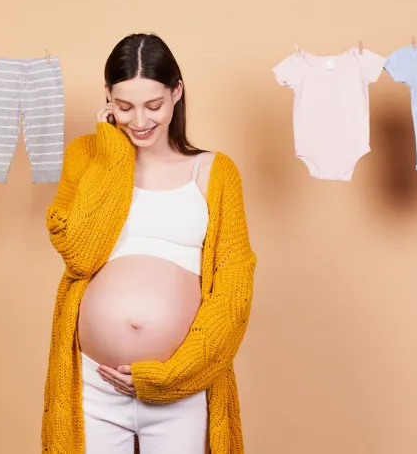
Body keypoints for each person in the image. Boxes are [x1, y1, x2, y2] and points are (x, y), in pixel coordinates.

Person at [42, 33, 256, 454]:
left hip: (181, 387)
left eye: (153, 105)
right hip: (94, 386)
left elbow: (234, 286)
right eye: (124, 107)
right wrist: (113, 151)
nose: (139, 120)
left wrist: (175, 374)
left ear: (176, 92)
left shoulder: (215, 172)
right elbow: (80, 255)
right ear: (107, 98)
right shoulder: (88, 157)